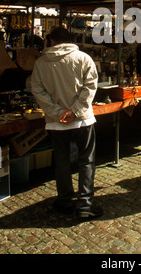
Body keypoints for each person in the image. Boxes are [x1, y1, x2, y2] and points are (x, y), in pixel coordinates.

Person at [31, 26, 102, 219]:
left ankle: (64, 201)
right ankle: (85, 205)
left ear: (52, 41)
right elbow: (91, 86)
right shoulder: (83, 58)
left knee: (62, 161)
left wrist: (58, 112)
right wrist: (75, 111)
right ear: (69, 40)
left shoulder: (41, 63)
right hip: (82, 119)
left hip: (57, 121)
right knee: (86, 161)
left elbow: (37, 89)